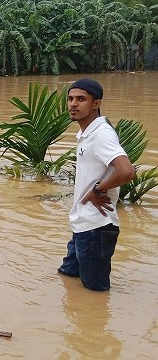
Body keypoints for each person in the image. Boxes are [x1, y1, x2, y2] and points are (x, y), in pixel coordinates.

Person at [57, 78, 135, 291]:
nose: (73, 104)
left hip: (96, 228)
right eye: (70, 98)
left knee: (95, 293)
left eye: (81, 99)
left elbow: (126, 171)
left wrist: (97, 190)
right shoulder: (86, 133)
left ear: (96, 104)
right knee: (68, 276)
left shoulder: (101, 134)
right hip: (82, 223)